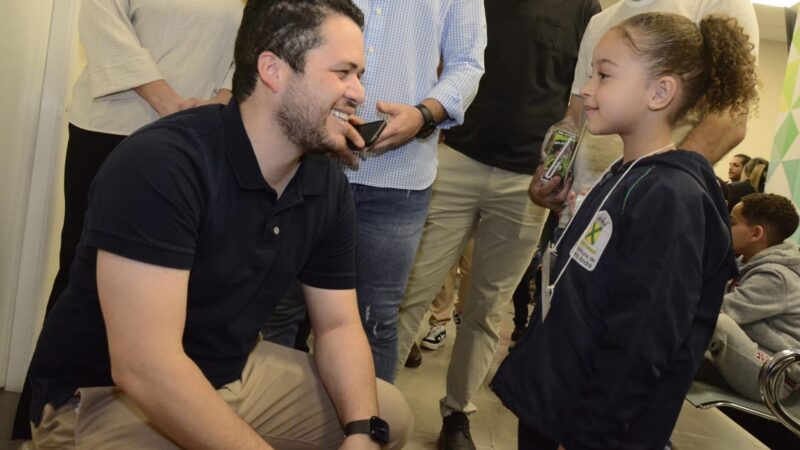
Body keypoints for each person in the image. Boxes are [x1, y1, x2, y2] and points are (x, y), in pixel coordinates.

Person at [26, 1, 412, 448]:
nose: (358, 93)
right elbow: (145, 367)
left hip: (229, 372)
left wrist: (361, 433)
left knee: (389, 417)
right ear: (273, 70)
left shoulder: (323, 182)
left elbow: (339, 327)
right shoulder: (163, 165)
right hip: (107, 395)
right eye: (342, 73)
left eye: (359, 75)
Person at [492, 12, 758, 450]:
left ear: (660, 92)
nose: (586, 88)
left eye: (604, 75)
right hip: (558, 404)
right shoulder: (627, 174)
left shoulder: (670, 197)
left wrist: (588, 435)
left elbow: (641, 344)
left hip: (588, 429)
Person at [12, 0, 244, 439]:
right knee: (82, 282)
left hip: (199, 141)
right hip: (111, 132)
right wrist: (171, 105)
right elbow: (105, 26)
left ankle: (144, 426)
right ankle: (43, 422)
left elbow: (252, 44)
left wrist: (219, 102)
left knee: (174, 286)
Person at [394, 1, 600, 449]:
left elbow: (581, 98)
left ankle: (457, 416)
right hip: (455, 159)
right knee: (413, 289)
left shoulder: (585, 9)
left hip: (527, 181)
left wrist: (562, 170)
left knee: (487, 309)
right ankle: (375, 398)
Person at [529, 0, 759, 212]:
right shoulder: (600, 21)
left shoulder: (719, 3)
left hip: (650, 207)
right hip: (583, 202)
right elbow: (576, 115)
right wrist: (552, 172)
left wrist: (654, 187)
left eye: (605, 74)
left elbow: (732, 117)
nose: (592, 86)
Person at [706, 193, 800, 401]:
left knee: (717, 322)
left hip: (775, 376)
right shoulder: (744, 261)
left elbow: (719, 311)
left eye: (731, 222)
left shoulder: (777, 277)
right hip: (750, 353)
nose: (724, 226)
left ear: (756, 234)